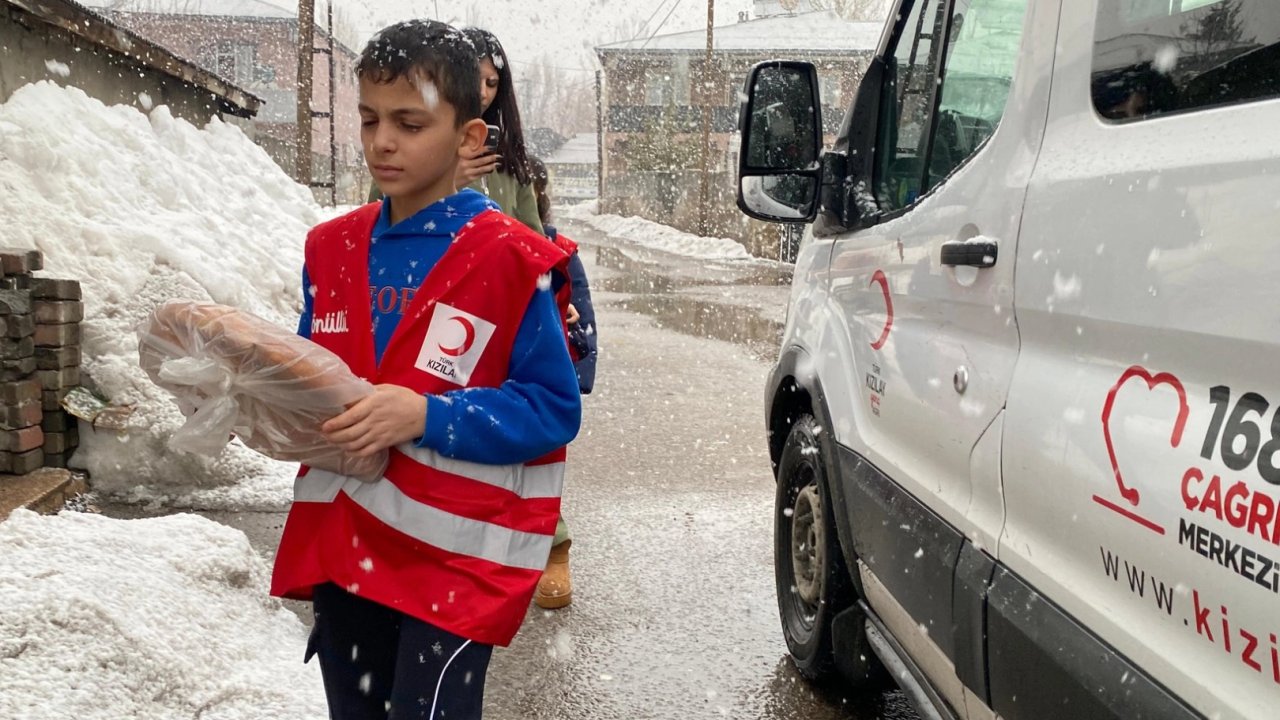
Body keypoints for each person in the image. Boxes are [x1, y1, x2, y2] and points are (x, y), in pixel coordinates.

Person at [271, 19, 581, 720]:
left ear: (470, 137)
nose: (383, 141)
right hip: (346, 545)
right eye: (371, 118)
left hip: (454, 561)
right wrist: (249, 391)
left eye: (410, 123)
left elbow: (553, 408)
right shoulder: (331, 249)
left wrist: (429, 415)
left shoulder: (509, 257)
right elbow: (309, 375)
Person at [527, 156, 598, 610]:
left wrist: (574, 371)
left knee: (536, 459)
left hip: (539, 371)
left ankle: (554, 543)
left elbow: (584, 319)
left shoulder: (560, 251)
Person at [455, 27, 543, 234]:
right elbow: (381, 231)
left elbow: (533, 242)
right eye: (473, 79)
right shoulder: (416, 146)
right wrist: (444, 185)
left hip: (499, 267)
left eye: (491, 83)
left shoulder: (509, 159)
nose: (482, 93)